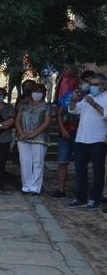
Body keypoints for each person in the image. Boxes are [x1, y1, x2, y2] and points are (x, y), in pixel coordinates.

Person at [67, 73, 107, 209]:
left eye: (95, 84)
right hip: (81, 139)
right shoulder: (86, 98)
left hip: (98, 139)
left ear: (103, 85)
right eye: (91, 84)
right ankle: (80, 198)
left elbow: (105, 115)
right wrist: (73, 100)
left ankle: (95, 200)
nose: (92, 87)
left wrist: (94, 104)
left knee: (97, 171)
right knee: (80, 170)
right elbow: (73, 110)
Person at [50, 67, 88, 198]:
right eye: (85, 81)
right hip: (66, 133)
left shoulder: (92, 98)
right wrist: (62, 129)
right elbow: (59, 113)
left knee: (81, 163)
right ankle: (61, 189)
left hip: (82, 134)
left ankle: (80, 190)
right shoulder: (68, 94)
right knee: (62, 161)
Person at [15, 83, 53, 196]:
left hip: (40, 138)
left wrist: (33, 134)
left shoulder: (47, 106)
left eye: (40, 92)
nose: (37, 94)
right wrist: (21, 132)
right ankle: (26, 186)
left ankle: (35, 188)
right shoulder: (24, 105)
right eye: (35, 91)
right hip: (23, 137)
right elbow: (17, 120)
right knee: (25, 162)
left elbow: (46, 123)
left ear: (44, 94)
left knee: (38, 162)